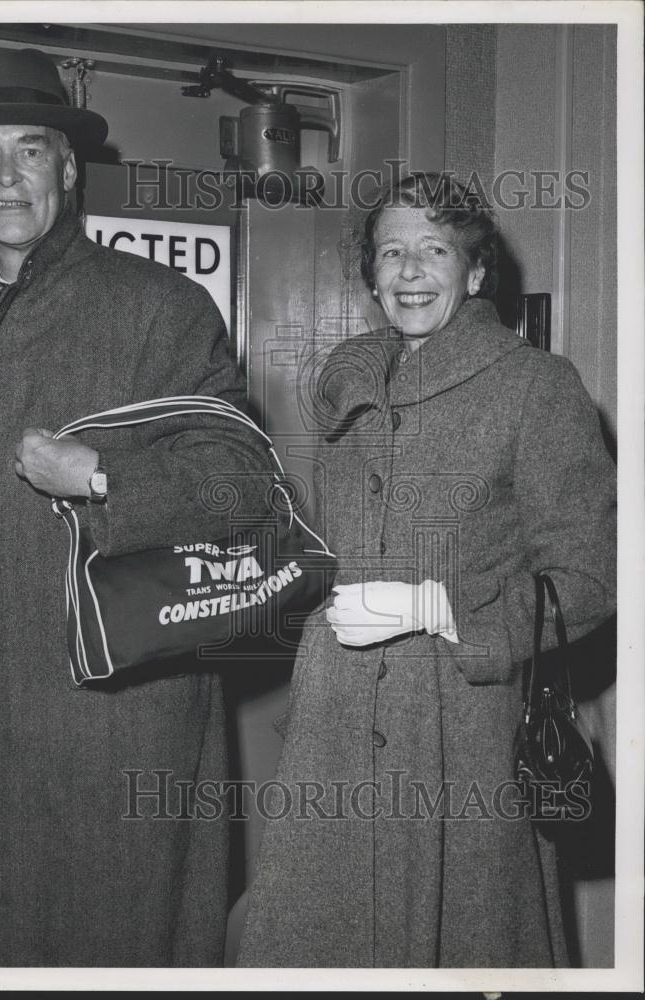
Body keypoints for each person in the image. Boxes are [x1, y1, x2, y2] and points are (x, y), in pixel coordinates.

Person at [0, 46, 270, 967]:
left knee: (127, 943)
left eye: (31, 149)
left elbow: (241, 481)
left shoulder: (159, 305)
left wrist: (102, 478)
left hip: (121, 704)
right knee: (2, 944)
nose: (8, 175)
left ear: (69, 167)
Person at [236, 173, 616, 967]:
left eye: (433, 251)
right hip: (332, 720)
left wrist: (442, 610)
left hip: (457, 724)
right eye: (391, 253)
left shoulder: (534, 388)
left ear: (475, 273)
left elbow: (590, 575)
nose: (410, 271)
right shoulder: (346, 384)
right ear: (371, 279)